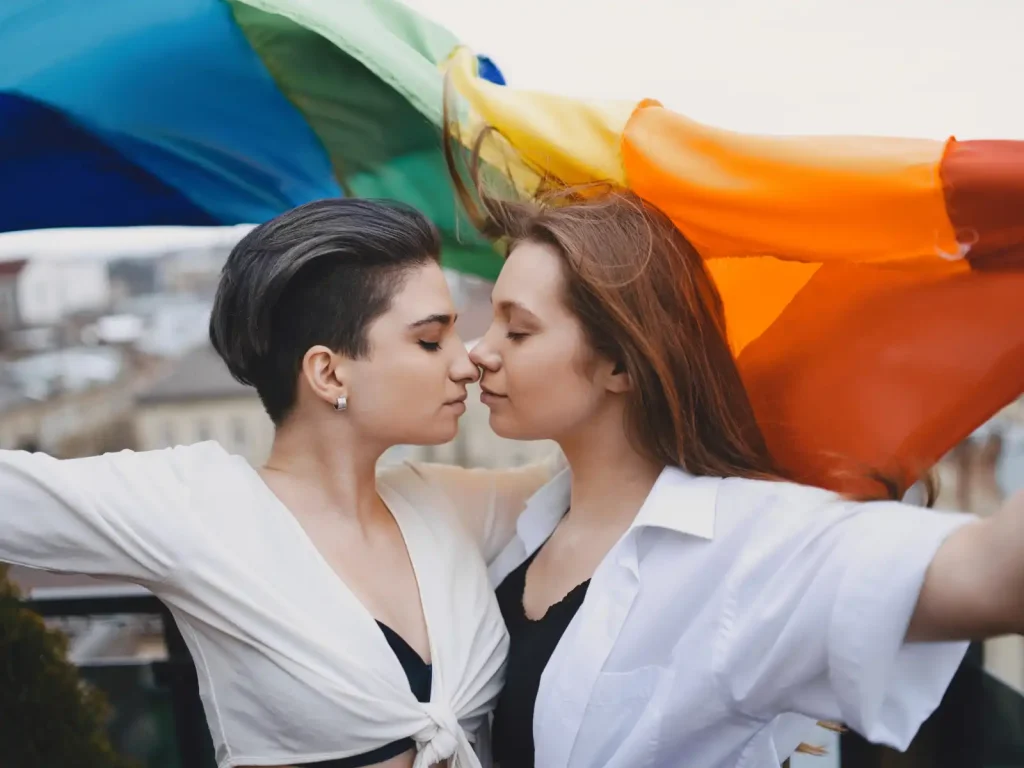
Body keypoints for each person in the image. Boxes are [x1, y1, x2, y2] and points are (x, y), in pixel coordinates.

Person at [417, 125, 1024, 768]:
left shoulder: (747, 546)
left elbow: (990, 577)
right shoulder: (521, 522)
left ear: (621, 364)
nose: (480, 352)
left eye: (518, 331)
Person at [0, 198, 554, 768]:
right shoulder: (202, 509)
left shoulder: (444, 503)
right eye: (432, 341)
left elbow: (595, 462)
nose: (466, 364)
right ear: (328, 372)